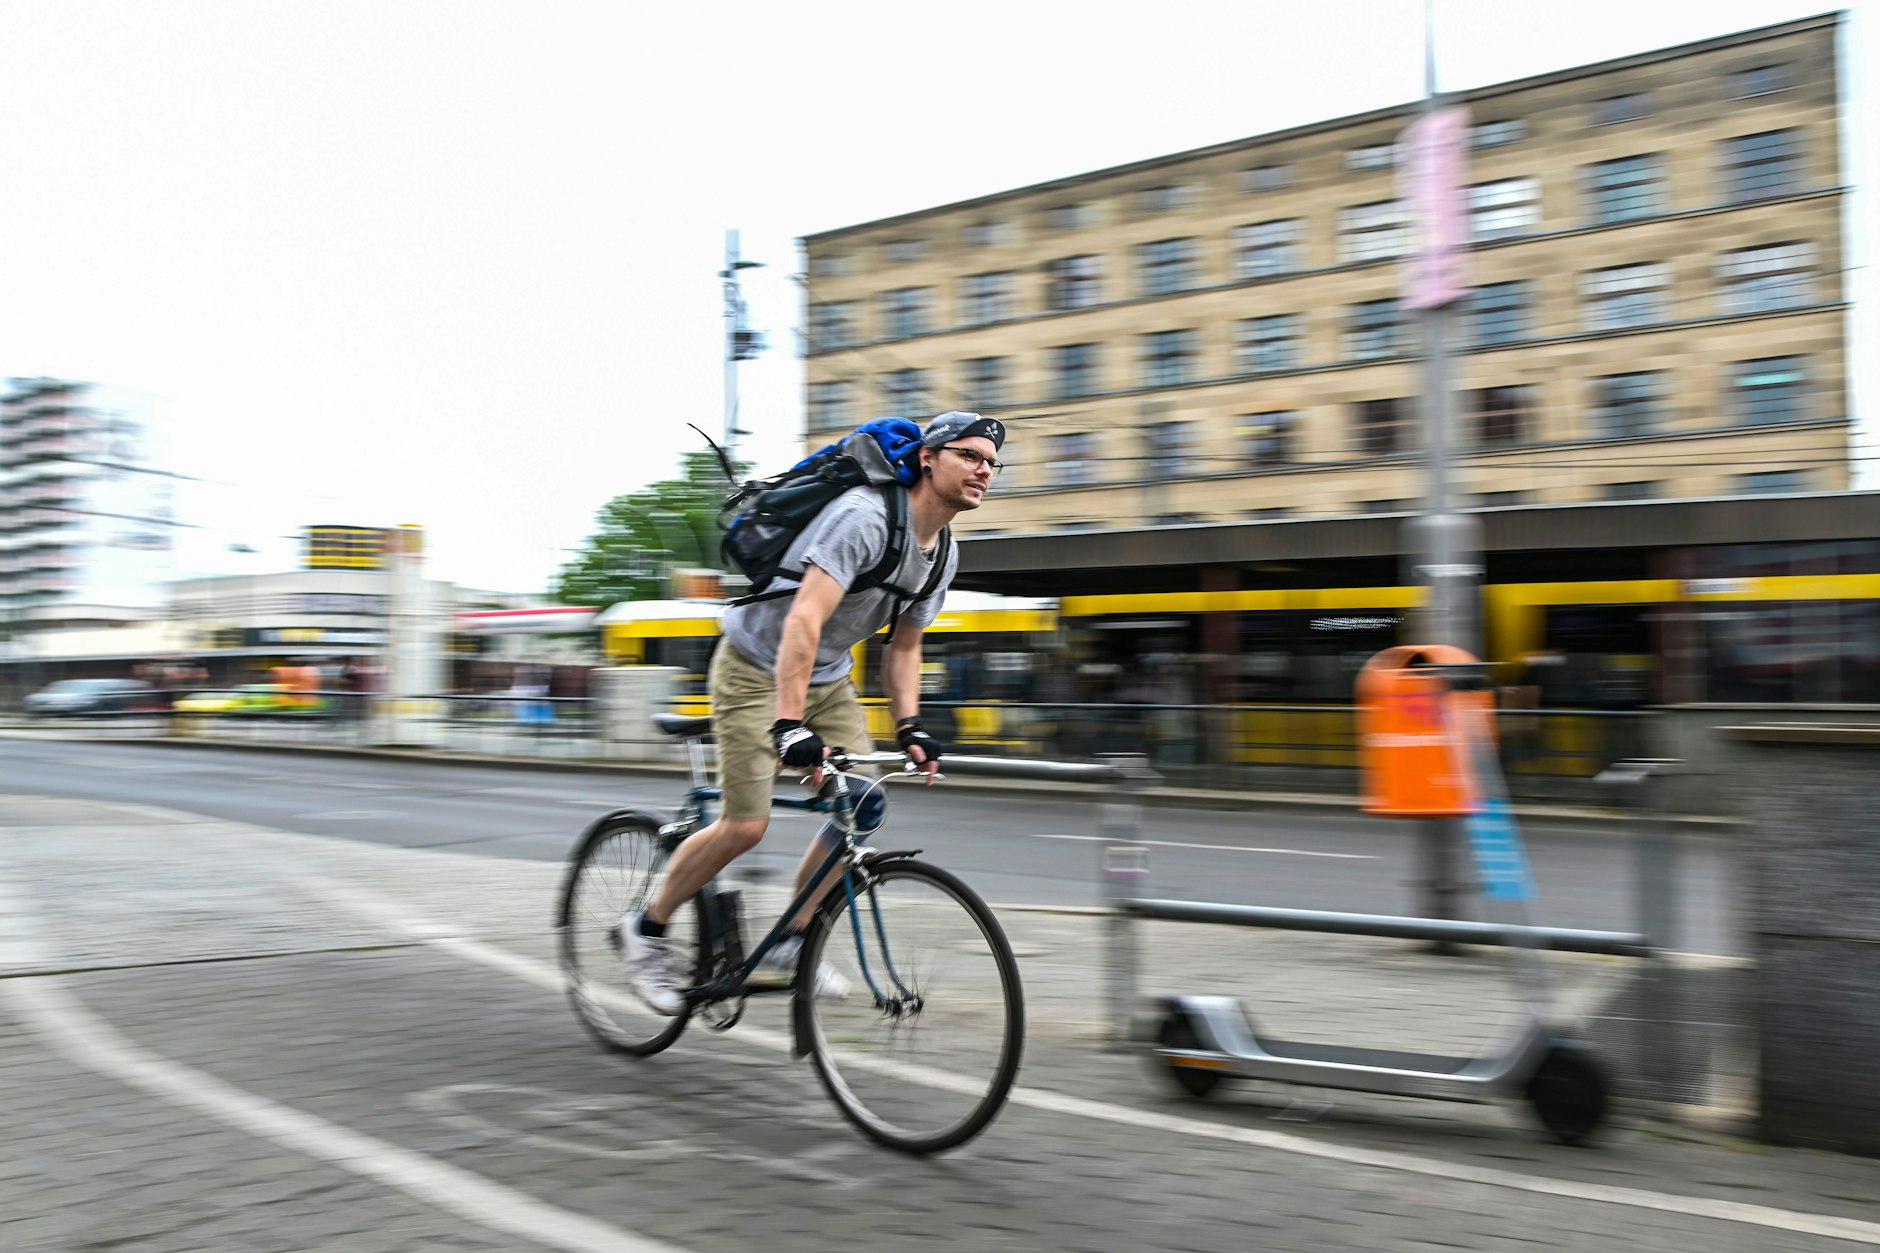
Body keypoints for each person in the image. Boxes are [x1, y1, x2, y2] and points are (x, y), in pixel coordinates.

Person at [622, 410, 1007, 1013]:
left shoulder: (943, 551)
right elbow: (804, 617)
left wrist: (910, 725)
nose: (983, 470)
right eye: (969, 456)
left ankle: (791, 941)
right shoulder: (864, 517)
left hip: (826, 674)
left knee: (865, 803)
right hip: (754, 666)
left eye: (990, 462)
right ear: (929, 458)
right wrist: (788, 724)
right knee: (745, 825)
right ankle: (645, 931)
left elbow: (904, 645)